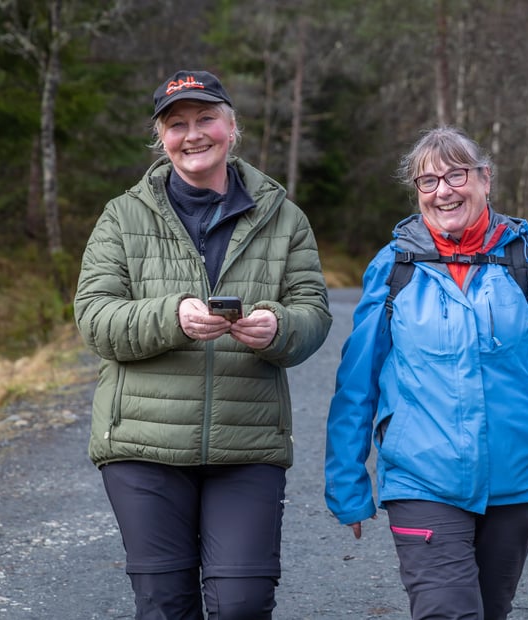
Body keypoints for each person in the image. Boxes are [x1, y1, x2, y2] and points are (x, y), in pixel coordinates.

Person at [324, 126, 528, 619]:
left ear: (484, 179)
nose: (443, 191)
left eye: (455, 175)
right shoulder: (395, 266)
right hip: (422, 477)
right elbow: (357, 382)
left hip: (516, 477)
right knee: (448, 612)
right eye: (428, 181)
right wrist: (347, 482)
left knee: (489, 609)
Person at [74, 69, 332, 619]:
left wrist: (279, 327)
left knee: (242, 603)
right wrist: (172, 315)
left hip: (248, 444)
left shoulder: (284, 217)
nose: (193, 134)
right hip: (142, 444)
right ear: (160, 138)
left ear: (232, 128)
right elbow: (94, 318)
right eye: (177, 124)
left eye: (206, 119)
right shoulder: (121, 217)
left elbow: (314, 311)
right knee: (165, 604)